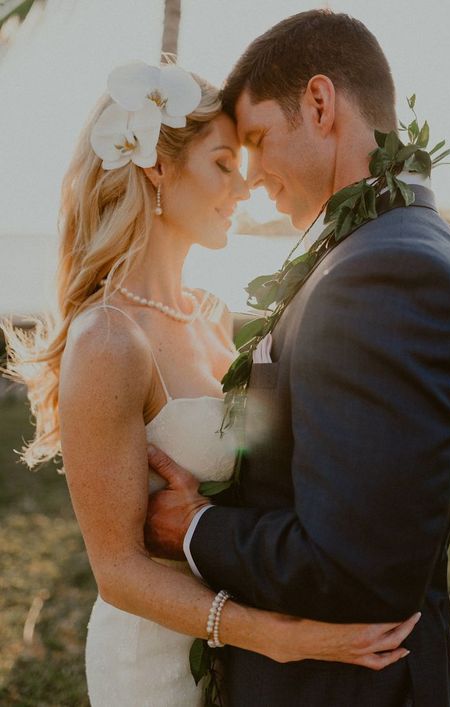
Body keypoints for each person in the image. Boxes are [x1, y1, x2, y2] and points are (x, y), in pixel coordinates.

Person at [2, 60, 418, 707]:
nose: (244, 186)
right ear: (156, 168)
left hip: (235, 653)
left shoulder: (211, 311)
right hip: (151, 664)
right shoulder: (109, 340)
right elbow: (117, 569)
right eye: (223, 164)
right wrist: (278, 635)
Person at [144, 11, 450, 707]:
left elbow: (356, 567)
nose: (249, 173)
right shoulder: (381, 249)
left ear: (320, 105)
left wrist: (195, 528)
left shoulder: (382, 274)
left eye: (258, 139)